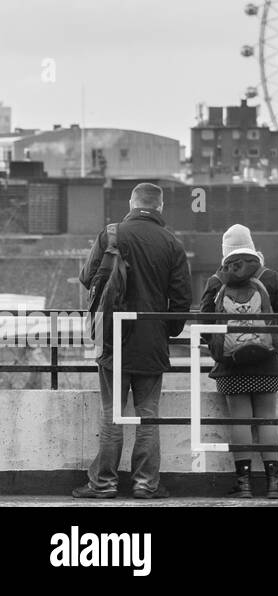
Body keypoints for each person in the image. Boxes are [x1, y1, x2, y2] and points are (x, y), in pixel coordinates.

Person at [72, 182, 192, 500]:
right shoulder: (172, 244)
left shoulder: (111, 233)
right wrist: (167, 331)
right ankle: (145, 484)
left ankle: (104, 484)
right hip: (151, 341)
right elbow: (181, 299)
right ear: (160, 207)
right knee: (147, 414)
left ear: (132, 202)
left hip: (112, 339)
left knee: (112, 413)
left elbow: (87, 277)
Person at [200, 224, 278, 499]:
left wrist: (221, 350)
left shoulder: (216, 281)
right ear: (252, 248)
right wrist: (274, 347)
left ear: (225, 253)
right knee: (266, 420)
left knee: (240, 420)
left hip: (231, 365)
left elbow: (204, 324)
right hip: (266, 363)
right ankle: (274, 485)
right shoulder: (270, 276)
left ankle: (243, 485)